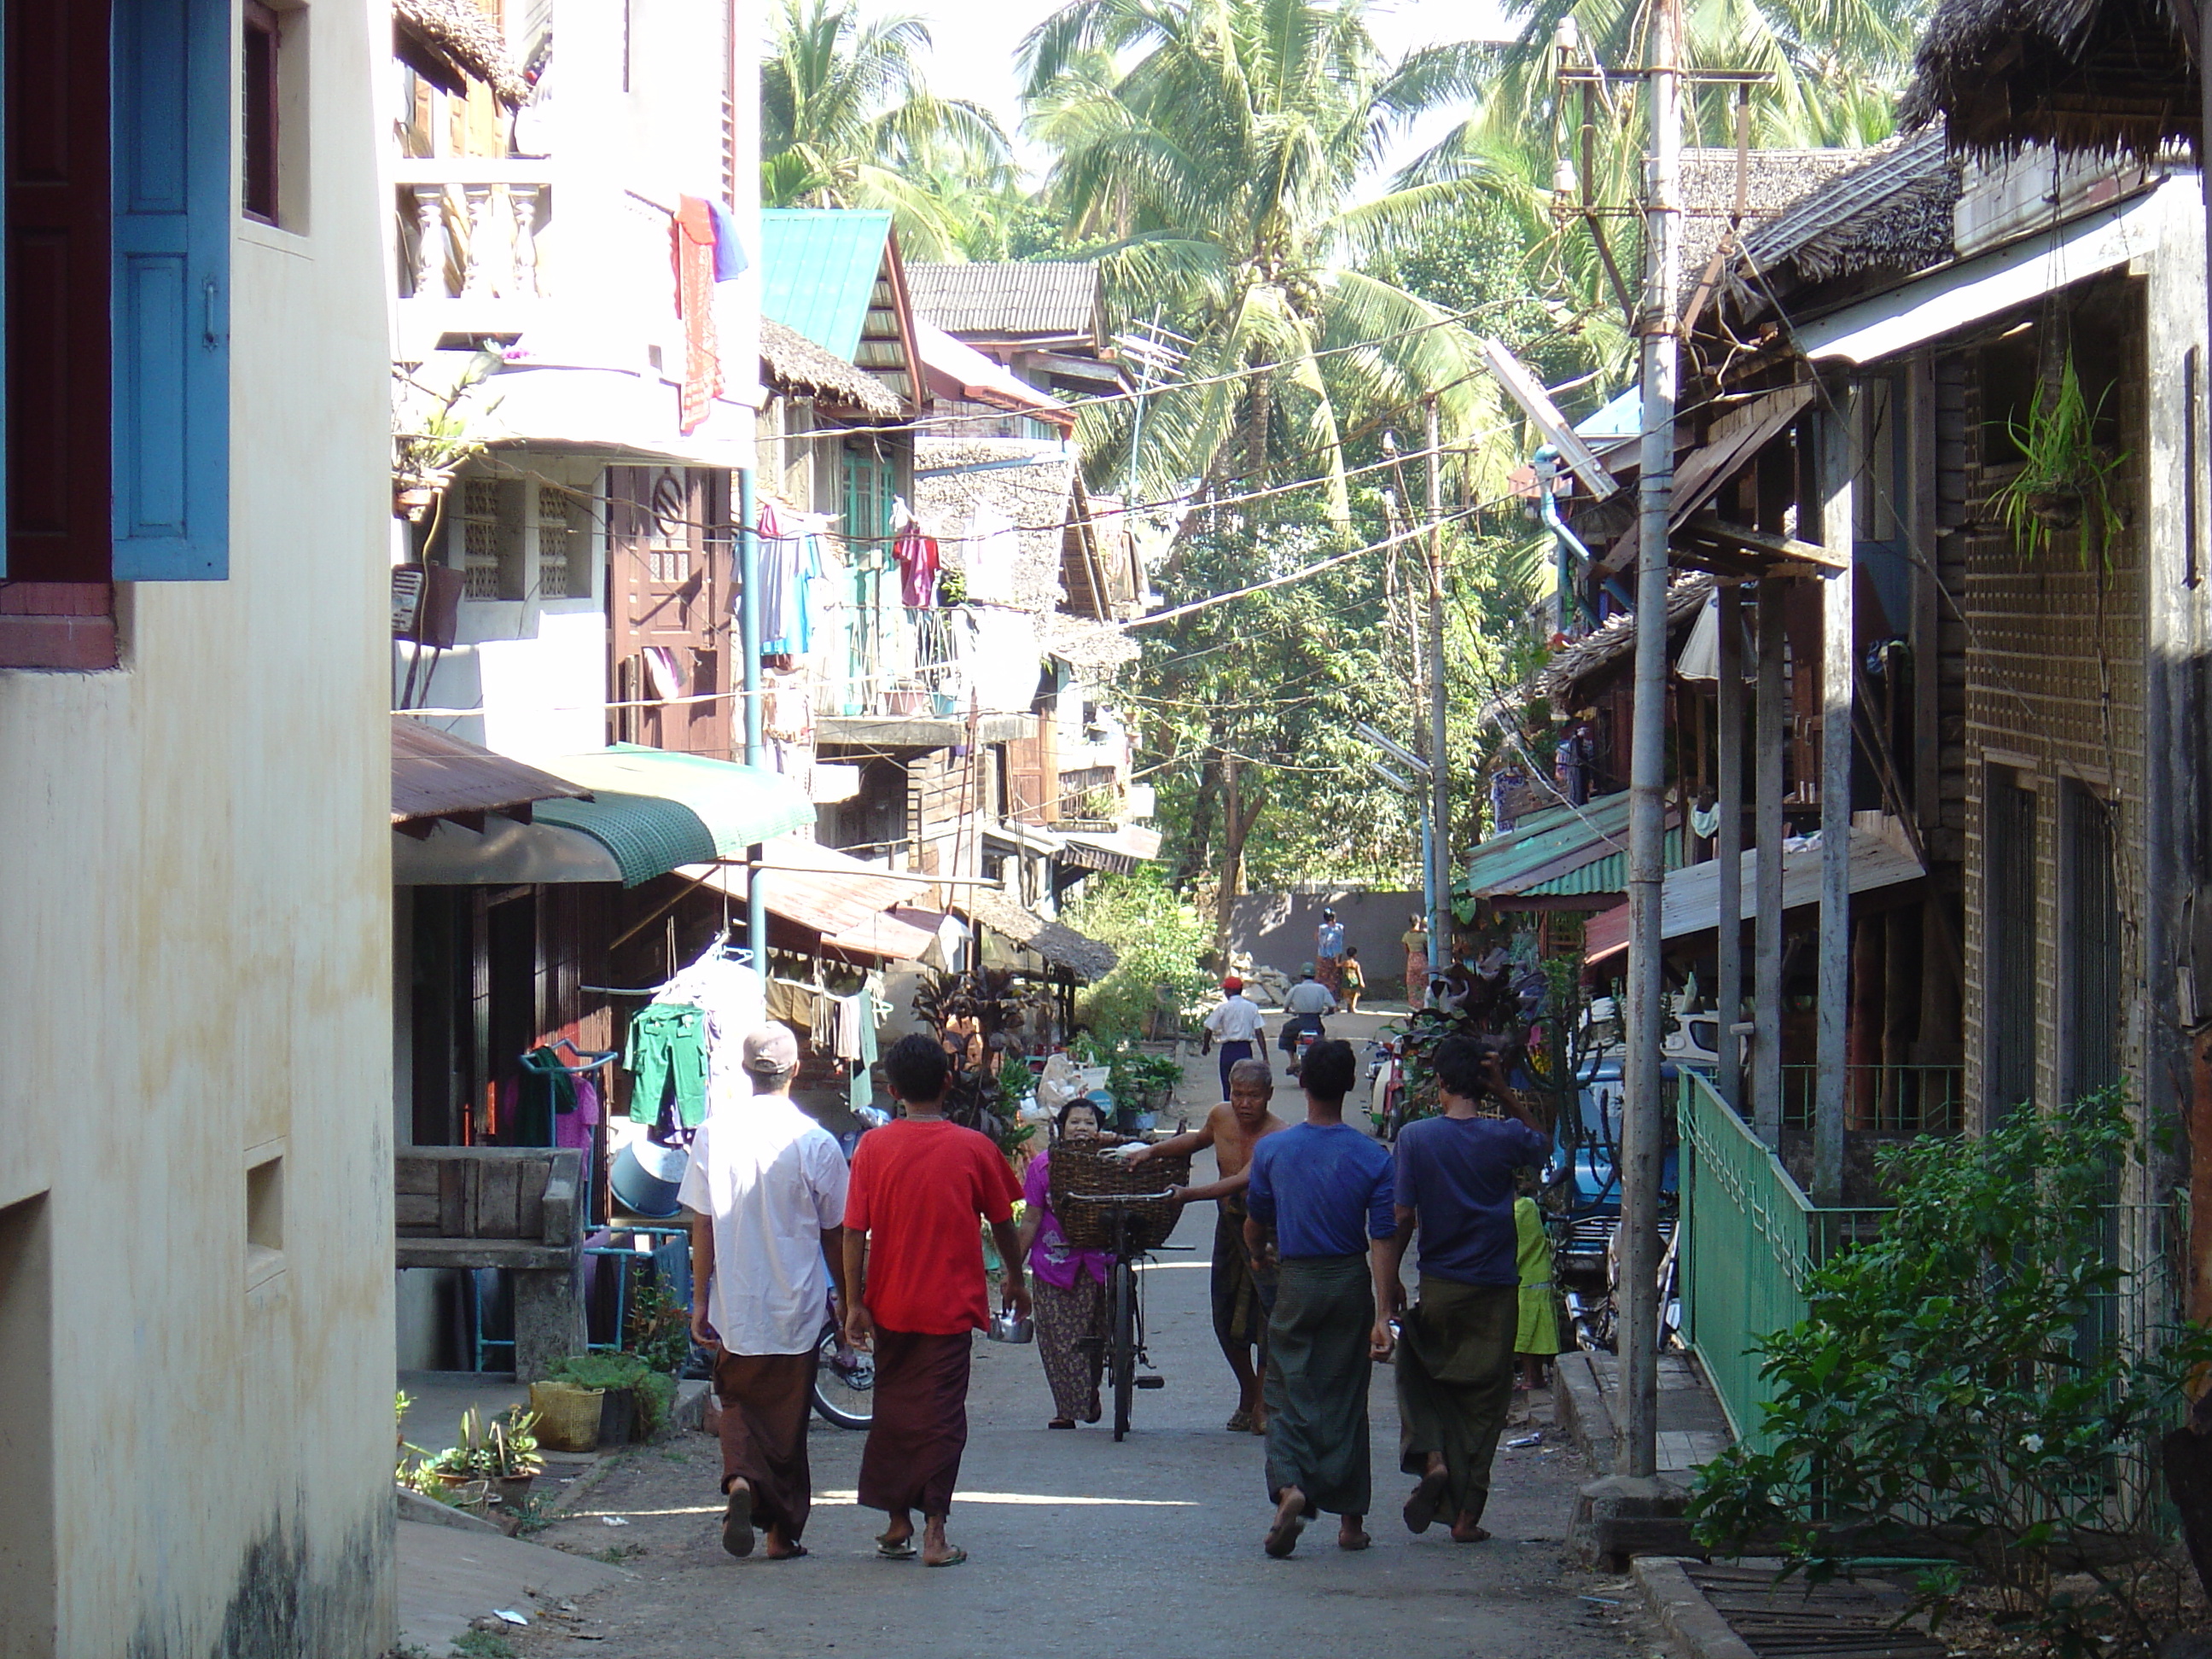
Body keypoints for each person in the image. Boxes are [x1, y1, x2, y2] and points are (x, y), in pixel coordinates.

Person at [841, 1033, 1028, 1568]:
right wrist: (1015, 1279)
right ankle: (934, 1534)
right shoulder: (973, 1147)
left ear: (893, 1089)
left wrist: (856, 1302)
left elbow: (854, 1232)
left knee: (895, 1412)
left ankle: (898, 1520)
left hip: (890, 1306)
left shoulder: (872, 1149)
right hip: (949, 1310)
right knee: (942, 1419)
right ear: (948, 1082)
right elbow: (1003, 1222)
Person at [1373, 1035, 1552, 1545]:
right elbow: (1544, 1145)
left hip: (1441, 1283)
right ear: (1481, 1084)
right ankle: (1465, 1518)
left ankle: (1431, 1458)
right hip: (1497, 1289)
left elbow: (1401, 1217)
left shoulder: (1415, 1138)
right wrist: (1506, 1093)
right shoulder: (1502, 1138)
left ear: (1441, 1083)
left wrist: (1387, 1294)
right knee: (1485, 1404)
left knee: (1420, 1372)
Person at [681, 1022, 850, 1562]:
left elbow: (701, 1224)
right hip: (795, 1303)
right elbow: (836, 1232)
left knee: (736, 1402)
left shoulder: (713, 1134)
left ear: (745, 1072)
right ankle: (782, 1535)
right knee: (788, 1419)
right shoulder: (816, 1143)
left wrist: (701, 1297)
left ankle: (738, 1482)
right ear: (795, 1071)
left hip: (737, 1302)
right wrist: (848, 1299)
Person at [1243, 1039, 1394, 1558]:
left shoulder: (1274, 1150)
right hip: (1349, 1279)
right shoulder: (1373, 1156)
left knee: (1286, 1390)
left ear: (1301, 1083)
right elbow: (1384, 1236)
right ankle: (1350, 1524)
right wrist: (1384, 1311)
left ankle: (1290, 1489)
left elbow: (1255, 1221)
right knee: (1348, 1395)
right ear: (1350, 1085)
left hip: (1299, 1281)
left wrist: (1259, 1252)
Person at [1129, 1058, 1286, 1432]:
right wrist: (1152, 1150)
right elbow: (1198, 1141)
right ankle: (1248, 1391)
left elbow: (1241, 1181)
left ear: (1269, 1096)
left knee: (1269, 1317)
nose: (1245, 1104)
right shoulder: (1220, 1116)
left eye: (1254, 1096)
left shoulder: (1278, 1135)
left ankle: (1263, 1403)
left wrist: (1188, 1194)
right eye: (1238, 1094)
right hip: (1229, 1227)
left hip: (1267, 1231)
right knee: (1224, 1315)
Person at [1017, 1098, 1115, 1429]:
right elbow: (1031, 1219)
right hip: (1054, 1264)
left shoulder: (1112, 1166)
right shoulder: (1043, 1167)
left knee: (1096, 1336)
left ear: (1100, 1130)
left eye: (1089, 1122)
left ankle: (1087, 1393)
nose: (1081, 1128)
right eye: (1075, 1122)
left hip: (1100, 1263)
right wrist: (1013, 1269)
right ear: (1062, 1127)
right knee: (1057, 1341)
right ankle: (1066, 1407)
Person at [1513, 1177, 1561, 1392]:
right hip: (1529, 1274)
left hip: (1529, 1276)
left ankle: (1533, 1379)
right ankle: (1533, 1377)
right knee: (1529, 1333)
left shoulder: (1520, 1210)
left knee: (1529, 1333)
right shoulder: (1527, 1206)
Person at [1202, 975, 1266, 1102]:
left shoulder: (1223, 1008)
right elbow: (1259, 1032)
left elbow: (1209, 1028)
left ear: (1230, 991)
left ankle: (1228, 1110)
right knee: (1246, 1085)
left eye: (1225, 990)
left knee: (1227, 1085)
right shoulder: (1251, 1007)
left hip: (1228, 1050)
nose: (1224, 992)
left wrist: (1206, 1046)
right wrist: (1265, 1056)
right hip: (1245, 1050)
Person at [1278, 964, 1337, 1074]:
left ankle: (1292, 1061)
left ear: (1301, 976)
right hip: (1315, 1021)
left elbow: (1286, 1006)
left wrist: (1288, 1011)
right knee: (1321, 1040)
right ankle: (1320, 1062)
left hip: (1300, 1021)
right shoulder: (1321, 988)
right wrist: (1327, 1012)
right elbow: (1332, 1006)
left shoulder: (1296, 989)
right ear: (1314, 976)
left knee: (1287, 1032)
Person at [1314, 908, 1348, 998]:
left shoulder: (1320, 928)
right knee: (1335, 980)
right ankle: (1334, 1000)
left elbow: (1316, 938)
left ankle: (1321, 998)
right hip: (1336, 957)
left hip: (1322, 957)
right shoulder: (1340, 927)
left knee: (1322, 979)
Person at [1401, 915, 1430, 1011]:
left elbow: (1406, 950)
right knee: (1424, 984)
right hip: (1422, 959)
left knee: (1412, 986)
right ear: (1419, 922)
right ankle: (1424, 1007)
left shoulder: (1406, 935)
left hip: (1411, 960)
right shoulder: (1423, 935)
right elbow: (1427, 948)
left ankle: (1414, 1008)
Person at [1340, 946, 1367, 1016]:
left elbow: (1338, 965)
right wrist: (1361, 981)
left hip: (1346, 978)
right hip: (1354, 979)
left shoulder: (1345, 962)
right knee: (1356, 994)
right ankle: (1353, 1007)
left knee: (1346, 993)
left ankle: (1349, 1003)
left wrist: (1337, 959)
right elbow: (1359, 973)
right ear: (1355, 955)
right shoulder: (1356, 964)